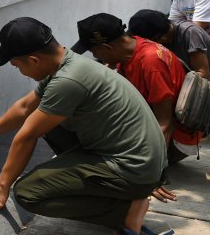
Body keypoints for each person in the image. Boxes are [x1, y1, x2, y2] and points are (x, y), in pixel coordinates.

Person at [0, 17, 172, 235]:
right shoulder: (67, 64)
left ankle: (125, 211)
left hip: (132, 168)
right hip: (136, 158)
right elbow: (25, 107)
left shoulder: (68, 80)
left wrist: (1, 188)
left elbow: (27, 135)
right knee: (49, 124)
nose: (20, 71)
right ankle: (114, 191)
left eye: (17, 66)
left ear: (33, 59)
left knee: (27, 192)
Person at [72, 13, 200, 164]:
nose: (96, 57)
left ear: (108, 47)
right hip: (146, 121)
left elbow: (165, 122)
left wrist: (156, 174)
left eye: (94, 52)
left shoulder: (152, 63)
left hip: (174, 139)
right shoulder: (132, 46)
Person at [127, 9, 210, 107]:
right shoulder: (159, 35)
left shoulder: (190, 33)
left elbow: (203, 76)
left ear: (163, 38)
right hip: (187, 89)